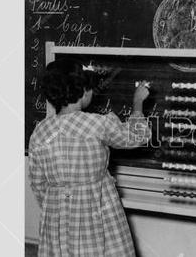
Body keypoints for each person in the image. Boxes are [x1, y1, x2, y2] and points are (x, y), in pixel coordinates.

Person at [28, 59, 151, 256]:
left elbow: (37, 182)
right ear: (83, 90)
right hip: (96, 206)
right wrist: (137, 104)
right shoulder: (97, 124)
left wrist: (57, 202)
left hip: (57, 212)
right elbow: (137, 137)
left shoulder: (40, 131)